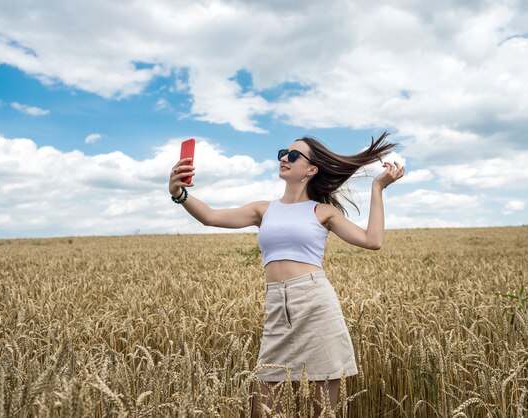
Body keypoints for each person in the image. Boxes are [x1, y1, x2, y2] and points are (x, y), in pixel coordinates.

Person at [168, 133, 404, 417]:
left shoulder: (322, 212)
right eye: (283, 152)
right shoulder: (263, 209)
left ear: (311, 170)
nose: (284, 158)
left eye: (293, 155)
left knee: (323, 410)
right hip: (277, 307)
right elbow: (211, 216)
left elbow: (372, 240)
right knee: (263, 409)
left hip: (315, 303)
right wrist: (179, 193)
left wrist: (378, 188)